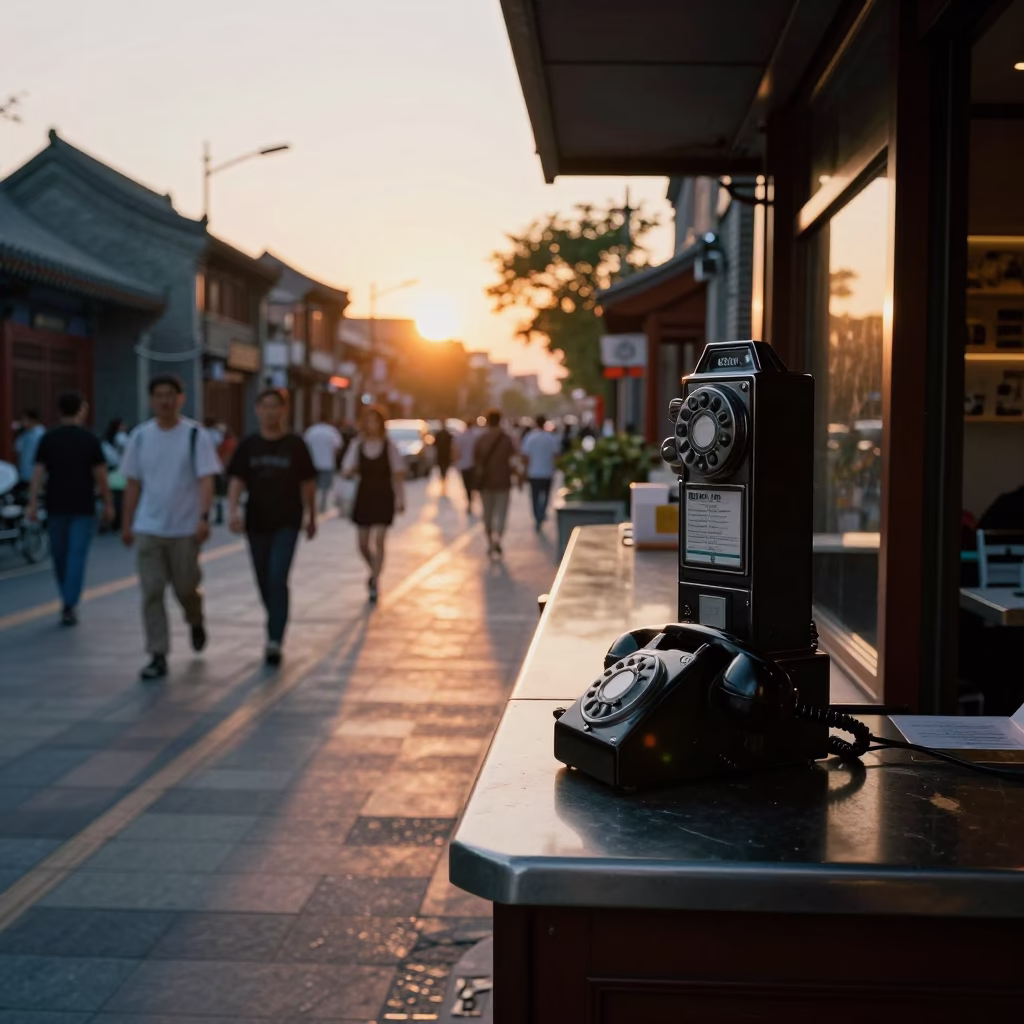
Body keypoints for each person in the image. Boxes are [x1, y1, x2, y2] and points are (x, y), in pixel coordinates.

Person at [120, 374, 222, 680]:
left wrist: (203, 517)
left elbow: (206, 479)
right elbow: (133, 483)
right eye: (159, 395)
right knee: (151, 591)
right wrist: (127, 523)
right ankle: (157, 654)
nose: (165, 401)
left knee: (184, 587)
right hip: (149, 527)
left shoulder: (195, 435)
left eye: (170, 395)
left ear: (181, 398)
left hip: (184, 528)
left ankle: (195, 618)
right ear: (151, 400)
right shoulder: (140, 437)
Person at [227, 389, 317, 666]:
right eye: (265, 407)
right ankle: (275, 617)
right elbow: (237, 480)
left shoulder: (295, 445)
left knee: (278, 577)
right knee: (264, 579)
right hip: (256, 521)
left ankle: (274, 638)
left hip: (287, 521)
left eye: (275, 407)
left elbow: (308, 483)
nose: (270, 412)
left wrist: (312, 516)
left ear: (284, 411)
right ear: (257, 410)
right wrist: (232, 511)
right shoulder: (249, 444)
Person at [27, 393, 113, 626]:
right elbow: (101, 476)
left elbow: (37, 473)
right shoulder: (90, 438)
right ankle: (69, 602)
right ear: (81, 410)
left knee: (60, 555)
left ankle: (68, 598)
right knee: (76, 555)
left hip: (55, 504)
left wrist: (32, 502)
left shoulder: (48, 438)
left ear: (59, 410)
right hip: (83, 505)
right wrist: (108, 503)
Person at [341, 404, 405, 603]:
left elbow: (398, 474)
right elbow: (346, 468)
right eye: (368, 421)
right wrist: (351, 472)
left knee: (379, 540)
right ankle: (373, 569)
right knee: (362, 543)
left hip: (384, 496)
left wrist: (400, 498)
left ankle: (375, 581)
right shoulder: (358, 445)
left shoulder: (389, 446)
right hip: (364, 495)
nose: (372, 425)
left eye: (376, 421)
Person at [474, 409, 517, 557]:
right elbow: (513, 460)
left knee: (487, 513)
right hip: (503, 481)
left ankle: (490, 540)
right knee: (501, 513)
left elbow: (476, 461)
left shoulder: (481, 439)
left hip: (486, 482)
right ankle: (498, 539)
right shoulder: (506, 439)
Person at [520, 414, 563, 530]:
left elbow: (524, 456)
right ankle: (542, 513)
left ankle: (537, 516)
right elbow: (557, 456)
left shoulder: (530, 438)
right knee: (545, 496)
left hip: (534, 473)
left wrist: (525, 469)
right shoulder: (551, 438)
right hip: (547, 472)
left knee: (534, 496)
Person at [304, 412, 343, 513]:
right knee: (325, 487)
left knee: (313, 486)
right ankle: (322, 506)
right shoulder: (331, 431)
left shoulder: (311, 431)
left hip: (312, 463)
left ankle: (313, 506)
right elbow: (338, 447)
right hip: (327, 463)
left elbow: (305, 446)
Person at [101, 417, 129, 532]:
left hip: (110, 472)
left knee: (111, 498)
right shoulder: (122, 437)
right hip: (121, 472)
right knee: (121, 499)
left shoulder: (105, 442)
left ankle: (109, 522)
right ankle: (118, 522)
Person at [456, 416, 482, 515]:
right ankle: (472, 500)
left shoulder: (461, 436)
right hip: (475, 465)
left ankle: (470, 502)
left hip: (464, 465)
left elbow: (456, 451)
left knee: (467, 486)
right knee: (474, 485)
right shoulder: (478, 435)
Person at [15, 409, 45, 484]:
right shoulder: (23, 435)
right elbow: (18, 451)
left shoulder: (41, 434)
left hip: (36, 473)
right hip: (24, 473)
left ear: (33, 420)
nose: (23, 422)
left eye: (25, 420)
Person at [433, 421, 454, 493]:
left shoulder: (439, 434)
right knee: (444, 471)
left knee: (442, 471)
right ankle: (444, 484)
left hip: (441, 455)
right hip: (445, 455)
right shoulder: (447, 434)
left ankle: (443, 484)